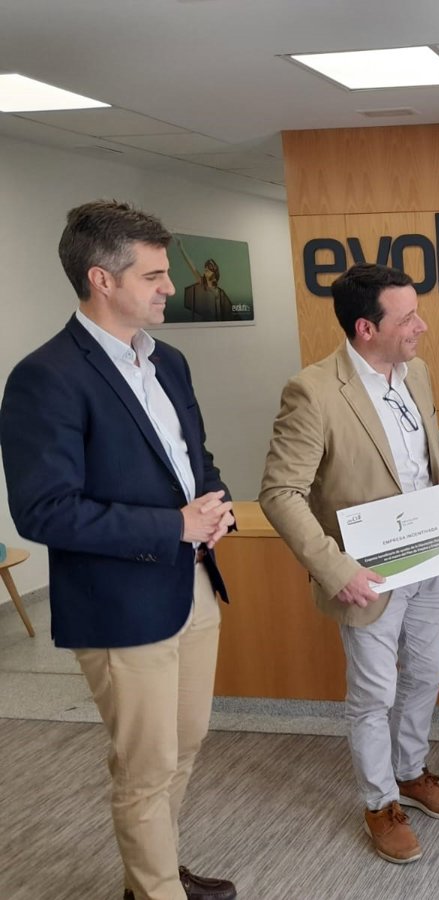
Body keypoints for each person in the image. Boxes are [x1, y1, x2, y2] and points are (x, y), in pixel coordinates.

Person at [0, 200, 237, 900]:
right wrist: (173, 527)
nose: (171, 287)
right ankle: (156, 890)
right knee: (145, 765)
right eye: (154, 276)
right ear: (102, 280)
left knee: (184, 744)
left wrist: (215, 505)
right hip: (119, 603)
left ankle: (151, 873)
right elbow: (44, 510)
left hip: (192, 582)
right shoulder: (46, 377)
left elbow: (193, 460)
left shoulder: (169, 362)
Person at [259, 263, 439, 865]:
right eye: (408, 318)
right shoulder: (313, 391)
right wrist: (336, 570)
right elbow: (280, 493)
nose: (421, 326)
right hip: (366, 574)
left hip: (428, 556)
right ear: (365, 328)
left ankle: (411, 770)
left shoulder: (416, 372)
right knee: (374, 693)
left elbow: (431, 452)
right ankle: (380, 803)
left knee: (429, 670)